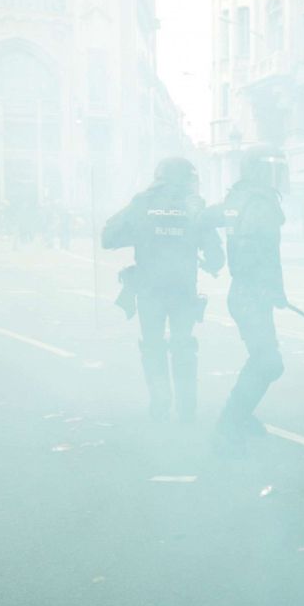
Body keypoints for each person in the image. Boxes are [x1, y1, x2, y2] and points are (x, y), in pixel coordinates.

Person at [102, 157, 224, 422]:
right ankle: (186, 407)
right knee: (183, 345)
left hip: (149, 290)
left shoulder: (142, 203)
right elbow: (216, 258)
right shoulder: (193, 206)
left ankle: (159, 402)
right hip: (183, 291)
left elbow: (108, 237)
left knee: (153, 345)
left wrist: (142, 233)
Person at [211, 144, 289, 455]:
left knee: (265, 360)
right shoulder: (260, 202)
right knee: (268, 362)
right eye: (273, 166)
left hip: (247, 291)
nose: (279, 173)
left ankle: (239, 415)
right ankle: (231, 421)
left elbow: (206, 219)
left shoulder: (238, 197)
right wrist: (275, 288)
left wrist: (210, 249)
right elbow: (264, 250)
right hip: (251, 293)